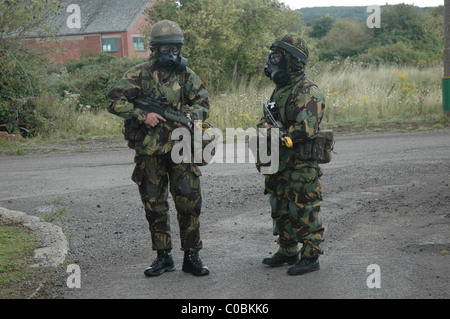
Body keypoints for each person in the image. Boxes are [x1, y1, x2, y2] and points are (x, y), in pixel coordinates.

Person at [107, 20, 210, 277]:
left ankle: (192, 257)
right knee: (155, 206)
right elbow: (113, 99)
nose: (171, 53)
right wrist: (141, 114)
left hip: (181, 150)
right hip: (149, 152)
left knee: (188, 203)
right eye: (165, 48)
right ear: (154, 49)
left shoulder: (187, 75)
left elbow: (204, 103)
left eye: (175, 48)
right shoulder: (139, 74)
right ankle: (163, 257)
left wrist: (188, 117)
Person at [258, 34, 326, 275]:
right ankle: (287, 250)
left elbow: (305, 130)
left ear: (293, 61)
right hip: (280, 163)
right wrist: (265, 130)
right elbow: (266, 121)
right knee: (281, 207)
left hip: (300, 165)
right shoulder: (280, 90)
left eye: (277, 57)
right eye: (272, 56)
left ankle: (310, 256)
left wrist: (273, 133)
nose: (272, 61)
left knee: (305, 209)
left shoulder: (309, 92)